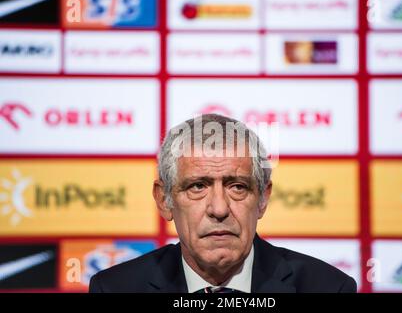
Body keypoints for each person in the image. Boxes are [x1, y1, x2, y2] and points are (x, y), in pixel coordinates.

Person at [89, 114, 357, 293]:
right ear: (164, 200)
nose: (219, 209)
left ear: (262, 198)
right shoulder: (114, 289)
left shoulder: (328, 288)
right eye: (198, 186)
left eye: (237, 187)